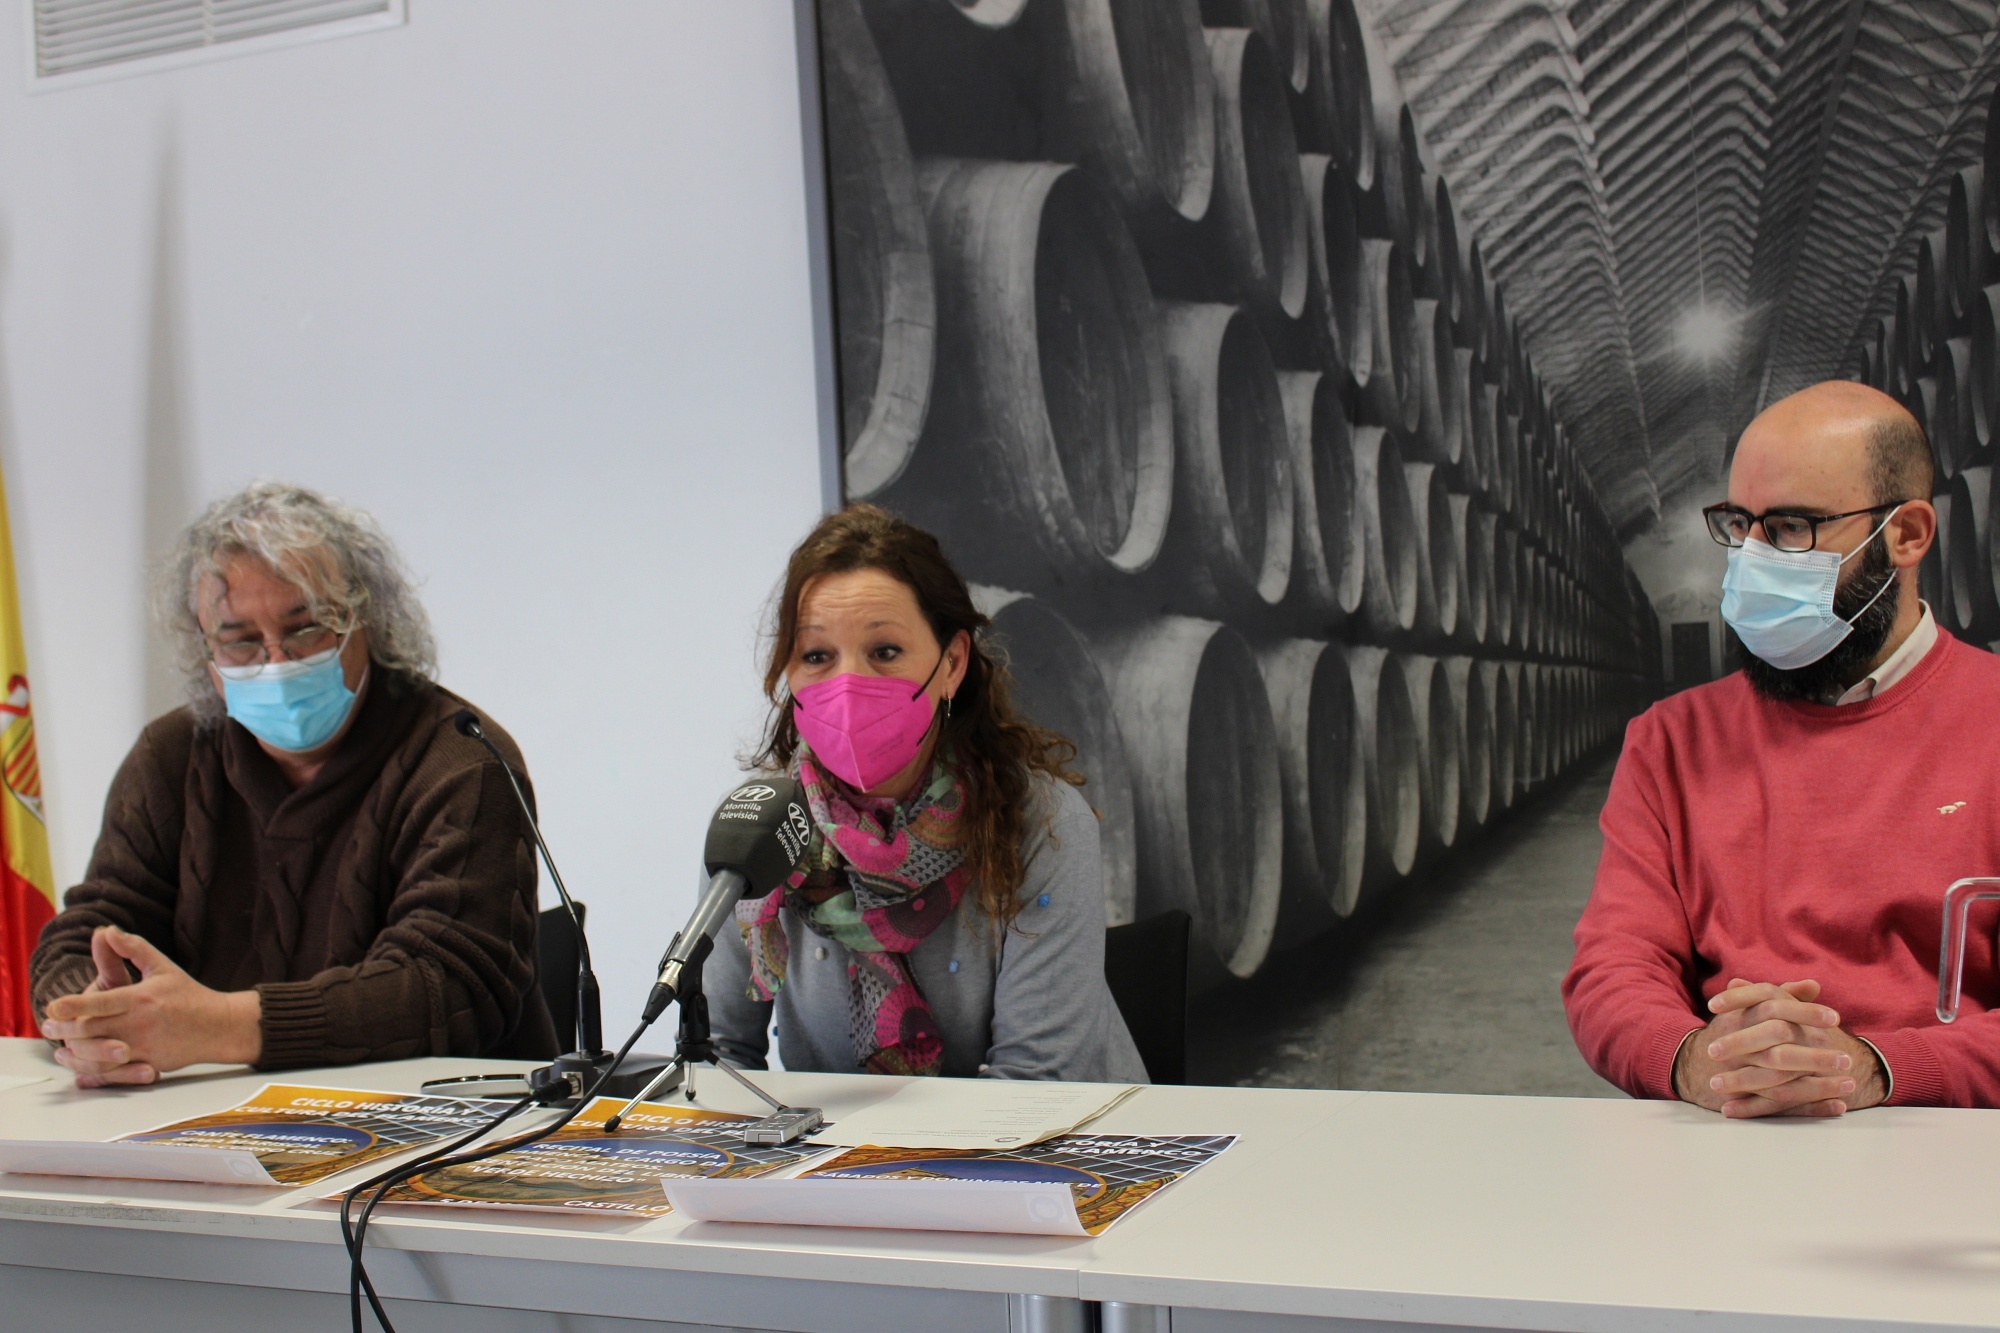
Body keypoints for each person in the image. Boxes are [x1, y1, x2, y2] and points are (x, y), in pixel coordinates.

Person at [1562, 379, 2000, 1115]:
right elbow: (1614, 965)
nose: (1752, 558)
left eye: (1792, 527)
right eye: (1740, 524)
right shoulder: (1671, 741)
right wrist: (1700, 1057)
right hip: (1729, 1139)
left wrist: (1879, 1067)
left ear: (1909, 534)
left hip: (1952, 1152)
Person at [32, 482, 556, 1085]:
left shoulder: (462, 758)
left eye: (306, 628)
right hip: (204, 1121)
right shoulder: (170, 756)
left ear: (368, 620)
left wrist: (219, 1025)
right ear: (204, 651)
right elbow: (84, 931)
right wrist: (96, 1012)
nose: (277, 662)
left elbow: (450, 988)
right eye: (242, 641)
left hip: (446, 1131)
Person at [706, 504, 1146, 1082]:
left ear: (952, 663)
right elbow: (714, 1058)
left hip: (1048, 1159)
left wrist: (887, 1171)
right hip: (842, 1166)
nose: (848, 685)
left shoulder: (1042, 824)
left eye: (884, 652)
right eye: (817, 656)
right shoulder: (762, 826)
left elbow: (1041, 1086)